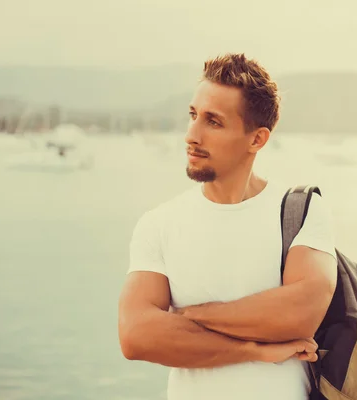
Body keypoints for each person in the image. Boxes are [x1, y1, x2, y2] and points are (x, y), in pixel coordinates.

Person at [118, 53, 338, 400]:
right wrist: (254, 350)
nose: (192, 135)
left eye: (213, 122)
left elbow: (300, 315)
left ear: (257, 139)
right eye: (192, 115)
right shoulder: (159, 224)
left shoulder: (299, 210)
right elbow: (135, 335)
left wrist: (187, 316)